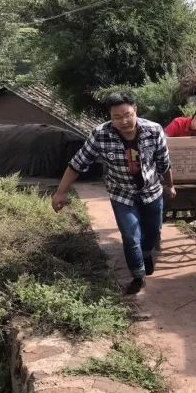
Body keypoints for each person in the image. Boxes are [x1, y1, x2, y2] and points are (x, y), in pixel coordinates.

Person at [51, 91, 176, 295]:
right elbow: (77, 164)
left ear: (135, 110)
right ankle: (138, 275)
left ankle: (146, 254)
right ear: (110, 117)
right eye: (117, 117)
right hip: (122, 194)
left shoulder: (154, 130)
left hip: (152, 192)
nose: (124, 121)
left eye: (127, 115)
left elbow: (164, 163)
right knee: (130, 236)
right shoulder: (100, 134)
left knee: (152, 233)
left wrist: (170, 185)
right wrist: (60, 192)